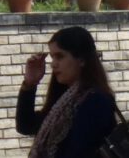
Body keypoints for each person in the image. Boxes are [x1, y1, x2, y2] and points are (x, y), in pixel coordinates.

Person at [16, 26, 116, 158]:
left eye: (60, 57)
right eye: (52, 57)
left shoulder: (96, 100)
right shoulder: (64, 101)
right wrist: (30, 84)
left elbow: (78, 151)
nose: (53, 64)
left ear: (81, 59)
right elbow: (26, 126)